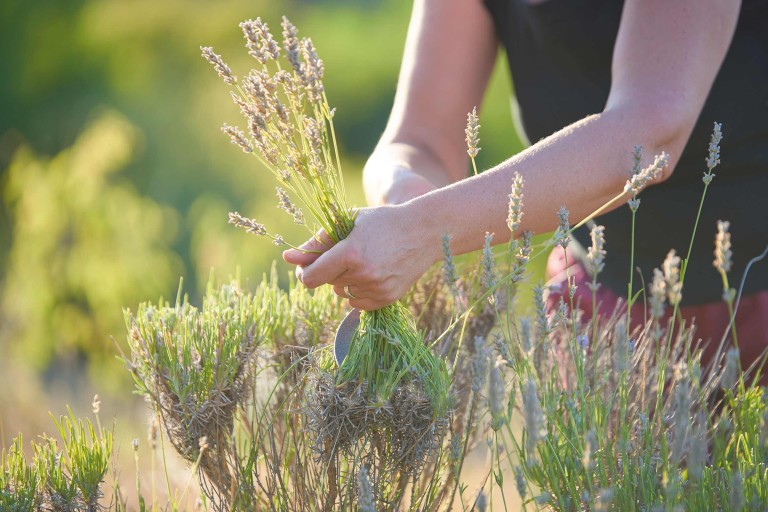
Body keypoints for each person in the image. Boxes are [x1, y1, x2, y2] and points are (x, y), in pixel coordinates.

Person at [284, 0, 768, 382]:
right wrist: (404, 205)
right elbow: (421, 139)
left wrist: (424, 230)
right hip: (604, 304)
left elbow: (648, 136)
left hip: (756, 300)